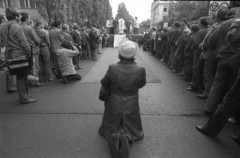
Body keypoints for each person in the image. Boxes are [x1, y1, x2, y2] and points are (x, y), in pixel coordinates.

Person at [195, 7, 240, 138]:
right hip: (235, 60)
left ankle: (210, 110)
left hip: (224, 56)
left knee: (222, 87)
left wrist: (215, 50)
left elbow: (214, 39)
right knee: (230, 91)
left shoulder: (226, 24)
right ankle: (234, 117)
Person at [98, 40, 146, 158]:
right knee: (131, 119)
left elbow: (104, 82)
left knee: (112, 119)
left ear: (120, 53)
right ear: (134, 54)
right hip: (132, 99)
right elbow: (141, 84)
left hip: (114, 99)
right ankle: (128, 136)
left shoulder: (113, 67)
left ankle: (114, 134)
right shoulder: (140, 69)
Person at [0, 7, 36, 104]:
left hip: (9, 55)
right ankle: (24, 97)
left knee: (18, 75)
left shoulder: (1, 26)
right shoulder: (16, 26)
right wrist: (30, 54)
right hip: (20, 55)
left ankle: (24, 95)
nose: (20, 17)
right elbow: (24, 43)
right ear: (16, 16)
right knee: (22, 77)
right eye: (19, 15)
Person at [20, 12, 43, 86]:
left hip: (22, 51)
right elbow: (36, 40)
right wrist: (39, 43)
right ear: (26, 19)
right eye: (29, 18)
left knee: (27, 66)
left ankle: (29, 80)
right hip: (33, 50)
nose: (30, 19)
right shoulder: (28, 28)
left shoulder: (18, 27)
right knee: (35, 66)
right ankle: (35, 82)